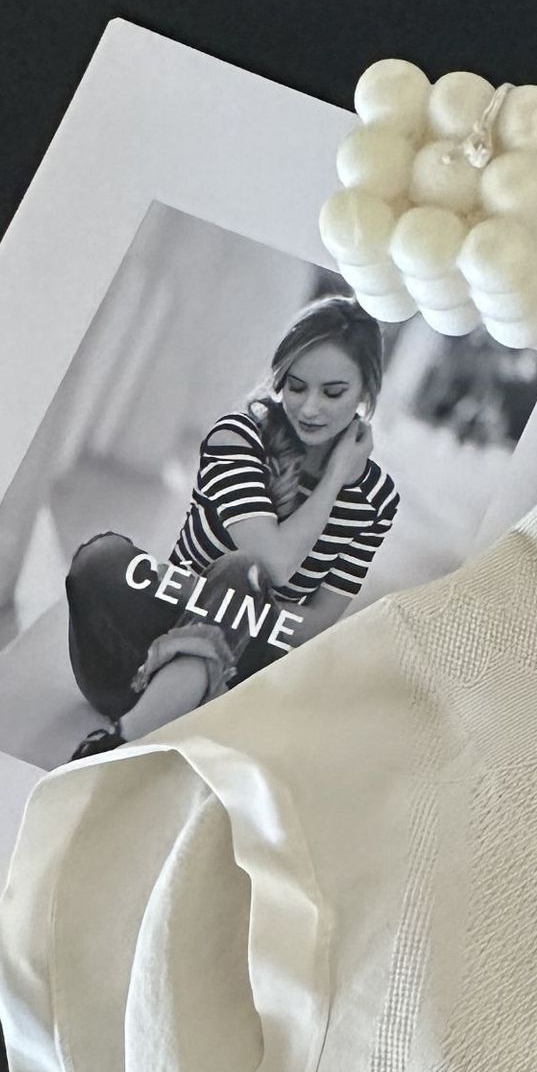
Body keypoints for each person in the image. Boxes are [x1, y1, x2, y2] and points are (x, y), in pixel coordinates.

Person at [62, 296, 400, 761]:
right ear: (280, 379)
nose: (309, 407)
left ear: (366, 392)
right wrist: (231, 602)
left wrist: (219, 601)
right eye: (297, 386)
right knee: (102, 559)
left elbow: (314, 625)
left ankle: (118, 743)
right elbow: (276, 565)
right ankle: (162, 709)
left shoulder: (376, 498)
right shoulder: (238, 437)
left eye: (333, 392)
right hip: (132, 665)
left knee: (242, 573)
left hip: (233, 685)